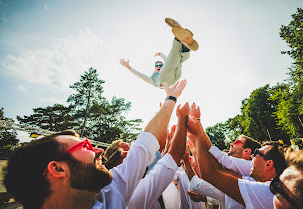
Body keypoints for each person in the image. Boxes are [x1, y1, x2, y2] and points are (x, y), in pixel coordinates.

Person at [4, 80, 187, 209]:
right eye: (85, 146)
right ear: (57, 169)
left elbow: (145, 144)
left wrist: (170, 99)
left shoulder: (110, 193)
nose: (99, 150)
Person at [187, 103, 288, 209]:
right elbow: (217, 169)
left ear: (268, 164)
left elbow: (210, 173)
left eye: (257, 153)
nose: (253, 156)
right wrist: (197, 133)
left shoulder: (267, 192)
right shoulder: (252, 180)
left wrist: (198, 133)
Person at [120, 18, 198, 88]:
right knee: (172, 61)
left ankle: (186, 46)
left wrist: (161, 55)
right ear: (155, 68)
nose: (158, 66)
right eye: (157, 65)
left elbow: (168, 60)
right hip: (164, 81)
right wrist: (129, 68)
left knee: (179, 60)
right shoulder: (153, 78)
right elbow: (142, 76)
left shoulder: (166, 66)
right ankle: (178, 39)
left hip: (174, 74)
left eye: (160, 65)